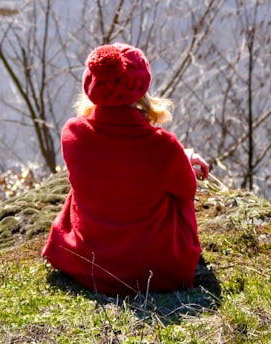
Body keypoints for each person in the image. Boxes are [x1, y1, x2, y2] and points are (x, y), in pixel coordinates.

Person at [42, 42, 210, 295]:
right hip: (156, 269)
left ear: (91, 85)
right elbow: (185, 192)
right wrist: (183, 160)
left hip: (90, 260)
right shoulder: (164, 146)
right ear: (142, 87)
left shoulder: (72, 133)